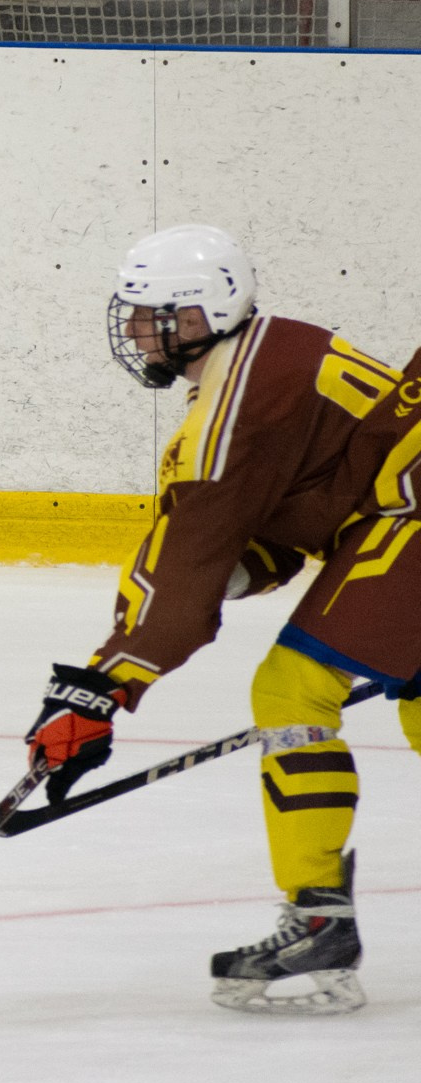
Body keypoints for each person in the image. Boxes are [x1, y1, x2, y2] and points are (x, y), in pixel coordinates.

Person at [24, 223, 421, 1015]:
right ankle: (320, 918)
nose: (136, 330)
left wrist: (102, 687)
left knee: (292, 687)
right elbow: (294, 511)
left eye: (153, 315)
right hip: (395, 515)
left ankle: (318, 920)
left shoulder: (237, 404)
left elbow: (188, 557)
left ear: (204, 313)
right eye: (133, 314)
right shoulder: (264, 362)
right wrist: (210, 584)